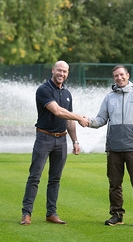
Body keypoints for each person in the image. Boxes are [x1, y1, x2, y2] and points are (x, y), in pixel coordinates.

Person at [85, 65, 133, 228]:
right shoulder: (109, 98)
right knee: (114, 183)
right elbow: (100, 119)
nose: (119, 78)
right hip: (114, 148)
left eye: (121, 75)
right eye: (116, 76)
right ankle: (117, 215)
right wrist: (88, 122)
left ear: (128, 75)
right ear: (114, 78)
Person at [20, 60, 89, 226]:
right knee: (34, 176)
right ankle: (26, 213)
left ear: (67, 74)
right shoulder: (44, 90)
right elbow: (58, 111)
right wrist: (80, 117)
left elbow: (68, 119)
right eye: (59, 71)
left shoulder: (67, 93)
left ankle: (51, 213)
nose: (62, 74)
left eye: (65, 72)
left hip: (62, 140)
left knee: (55, 179)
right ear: (53, 70)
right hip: (44, 138)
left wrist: (75, 141)